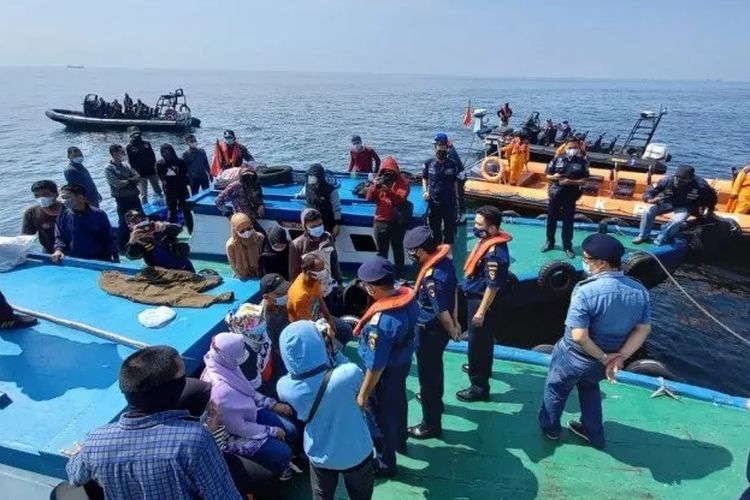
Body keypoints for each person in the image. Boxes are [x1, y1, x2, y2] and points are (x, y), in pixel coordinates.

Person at [65, 345, 243, 500]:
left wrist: (81, 452)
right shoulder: (195, 440)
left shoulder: (96, 441)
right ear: (173, 391)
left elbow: (75, 475)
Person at [538, 234, 651, 449]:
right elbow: (643, 329)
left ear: (601, 263)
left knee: (556, 389)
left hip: (574, 356)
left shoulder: (586, 290)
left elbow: (579, 335)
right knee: (590, 390)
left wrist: (603, 357)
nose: (585, 263)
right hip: (606, 360)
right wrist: (618, 358)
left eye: (588, 259)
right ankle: (593, 433)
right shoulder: (640, 291)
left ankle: (550, 429)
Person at [277, 320, 375, 500]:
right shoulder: (348, 374)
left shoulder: (283, 387)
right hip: (356, 452)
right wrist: (332, 347)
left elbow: (306, 374)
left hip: (320, 453)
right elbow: (353, 379)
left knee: (322, 496)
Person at [201, 333, 298, 479]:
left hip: (247, 413)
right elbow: (238, 428)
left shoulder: (222, 363)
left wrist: (273, 405)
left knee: (291, 430)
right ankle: (279, 468)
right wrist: (271, 430)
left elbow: (248, 391)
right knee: (283, 452)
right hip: (231, 435)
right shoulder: (221, 392)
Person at [353, 257, 418, 477]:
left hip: (384, 374)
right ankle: (400, 441)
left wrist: (363, 395)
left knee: (378, 417)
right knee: (399, 403)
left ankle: (385, 463)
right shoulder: (408, 300)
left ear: (372, 288)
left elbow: (375, 365)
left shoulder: (380, 325)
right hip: (402, 366)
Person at [404, 226, 460, 439]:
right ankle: (436, 404)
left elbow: (441, 310)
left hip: (429, 332)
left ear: (420, 251)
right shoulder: (446, 262)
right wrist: (455, 324)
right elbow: (453, 293)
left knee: (428, 377)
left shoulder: (431, 277)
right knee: (436, 370)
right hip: (440, 332)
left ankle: (430, 424)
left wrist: (451, 327)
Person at [457, 206, 512, 402]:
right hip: (476, 295)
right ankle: (481, 369)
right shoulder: (487, 242)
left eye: (480, 224)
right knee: (483, 340)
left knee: (478, 342)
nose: (475, 227)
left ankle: (479, 386)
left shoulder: (494, 253)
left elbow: (493, 285)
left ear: (492, 229)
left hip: (482, 301)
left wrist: (480, 312)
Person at [633, 165, 718, 245]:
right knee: (648, 212)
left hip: (686, 206)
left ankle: (661, 239)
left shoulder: (701, 186)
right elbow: (651, 190)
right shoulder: (667, 181)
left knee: (677, 221)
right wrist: (649, 199)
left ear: (691, 179)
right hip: (667, 202)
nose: (678, 180)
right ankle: (643, 236)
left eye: (683, 179)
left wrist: (710, 210)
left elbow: (711, 197)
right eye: (677, 177)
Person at [287, 253, 353, 344]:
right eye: (321, 270)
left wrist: (329, 319)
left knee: (346, 330)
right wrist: (327, 334)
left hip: (319, 317)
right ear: (310, 273)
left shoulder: (314, 280)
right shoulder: (300, 297)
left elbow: (320, 299)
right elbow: (308, 327)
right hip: (308, 327)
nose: (325, 271)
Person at [542, 137, 590, 258]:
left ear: (578, 148)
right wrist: (555, 177)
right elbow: (547, 175)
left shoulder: (582, 162)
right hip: (556, 192)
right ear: (565, 147)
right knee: (551, 219)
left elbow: (584, 180)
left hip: (571, 194)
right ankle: (550, 242)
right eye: (570, 147)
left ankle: (567, 246)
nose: (572, 150)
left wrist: (570, 181)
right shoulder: (557, 159)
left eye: (574, 147)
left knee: (568, 221)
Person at [365, 155, 410, 278]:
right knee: (381, 251)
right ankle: (382, 275)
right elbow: (369, 198)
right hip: (380, 221)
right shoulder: (379, 181)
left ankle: (400, 274)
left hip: (397, 221)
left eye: (391, 172)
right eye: (386, 172)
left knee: (398, 248)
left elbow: (400, 199)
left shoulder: (403, 182)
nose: (388, 175)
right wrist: (375, 186)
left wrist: (389, 191)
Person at [52, 184, 118, 264]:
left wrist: (115, 256)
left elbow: (108, 237)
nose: (63, 201)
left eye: (66, 198)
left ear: (80, 198)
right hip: (74, 258)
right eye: (62, 198)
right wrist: (58, 250)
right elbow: (60, 236)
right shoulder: (63, 215)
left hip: (99, 258)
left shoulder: (99, 214)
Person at [289, 209, 343, 288]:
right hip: (309, 289)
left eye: (320, 225)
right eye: (313, 227)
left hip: (328, 286)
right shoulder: (296, 245)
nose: (318, 228)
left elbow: (334, 261)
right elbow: (294, 274)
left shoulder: (328, 237)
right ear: (305, 227)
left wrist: (339, 282)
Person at [125, 210, 194, 272]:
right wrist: (132, 242)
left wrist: (164, 227)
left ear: (147, 219)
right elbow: (132, 256)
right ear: (130, 227)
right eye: (136, 222)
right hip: (163, 272)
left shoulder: (158, 226)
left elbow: (179, 228)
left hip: (183, 264)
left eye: (142, 219)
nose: (141, 223)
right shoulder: (136, 240)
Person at [422, 133, 459, 244]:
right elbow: (424, 178)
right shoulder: (429, 163)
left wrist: (457, 199)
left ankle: (448, 251)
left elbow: (455, 182)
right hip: (434, 201)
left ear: (447, 147)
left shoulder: (452, 164)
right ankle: (437, 250)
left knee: (449, 229)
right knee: (435, 228)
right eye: (439, 145)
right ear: (435, 147)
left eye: (443, 145)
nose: (441, 147)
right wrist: (425, 191)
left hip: (449, 201)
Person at [105, 144, 143, 251]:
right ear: (114, 153)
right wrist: (130, 180)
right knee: (123, 221)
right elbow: (117, 183)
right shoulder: (109, 168)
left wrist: (128, 181)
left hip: (134, 197)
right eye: (121, 152)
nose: (124, 154)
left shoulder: (126, 165)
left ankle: (141, 240)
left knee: (140, 218)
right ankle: (121, 246)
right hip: (122, 199)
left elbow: (137, 176)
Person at [259, 273, 291, 384]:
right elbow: (273, 348)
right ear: (266, 297)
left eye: (286, 290)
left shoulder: (286, 303)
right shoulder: (264, 319)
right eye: (279, 293)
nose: (286, 294)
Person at [294, 164, 342, 237]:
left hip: (327, 223)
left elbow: (337, 208)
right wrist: (297, 196)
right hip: (311, 224)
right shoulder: (307, 187)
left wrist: (337, 224)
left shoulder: (331, 190)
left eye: (314, 177)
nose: (311, 180)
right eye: (310, 177)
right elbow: (302, 194)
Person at [156, 143, 194, 234]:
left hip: (182, 190)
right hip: (169, 191)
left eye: (167, 152)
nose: (166, 154)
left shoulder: (180, 162)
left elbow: (185, 174)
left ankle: (191, 230)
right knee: (171, 211)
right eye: (163, 153)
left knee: (186, 211)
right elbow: (160, 176)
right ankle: (171, 233)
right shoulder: (160, 163)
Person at [21, 180, 62, 254]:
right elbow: (26, 237)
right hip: (48, 251)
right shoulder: (31, 212)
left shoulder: (68, 209)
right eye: (37, 195)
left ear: (56, 194)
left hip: (73, 250)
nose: (41, 198)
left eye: (46, 194)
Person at [126, 126, 164, 205]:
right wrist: (135, 173)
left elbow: (153, 156)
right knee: (143, 194)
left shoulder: (146, 143)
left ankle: (162, 203)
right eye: (134, 134)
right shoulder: (129, 146)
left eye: (137, 133)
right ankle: (146, 209)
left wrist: (155, 167)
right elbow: (130, 162)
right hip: (140, 174)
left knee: (157, 189)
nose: (136, 135)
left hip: (152, 171)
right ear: (131, 136)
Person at [226, 213, 265, 279]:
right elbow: (233, 263)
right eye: (242, 231)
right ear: (235, 231)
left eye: (249, 228)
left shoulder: (259, 238)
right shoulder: (231, 245)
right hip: (242, 276)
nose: (246, 232)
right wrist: (240, 275)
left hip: (260, 274)